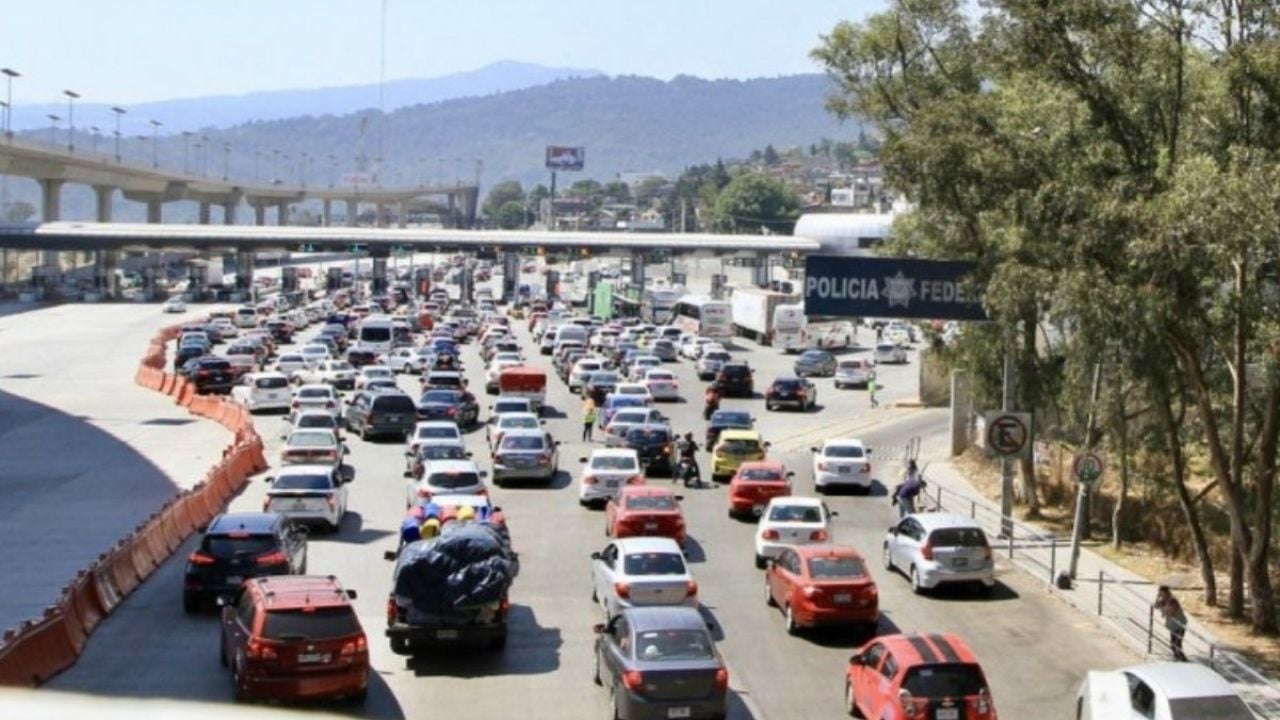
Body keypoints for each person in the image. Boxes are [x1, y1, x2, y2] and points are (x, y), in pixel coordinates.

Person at [1155, 586, 1188, 661]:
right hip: (1173, 626)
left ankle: (1184, 660)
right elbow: (1156, 606)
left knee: (1177, 645)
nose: (1161, 595)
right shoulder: (1164, 600)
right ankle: (1177, 658)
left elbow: (1171, 613)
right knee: (1172, 645)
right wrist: (1157, 598)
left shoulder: (1173, 600)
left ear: (1166, 592)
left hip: (1180, 625)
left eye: (1162, 593)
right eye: (1160, 593)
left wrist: (1164, 611)